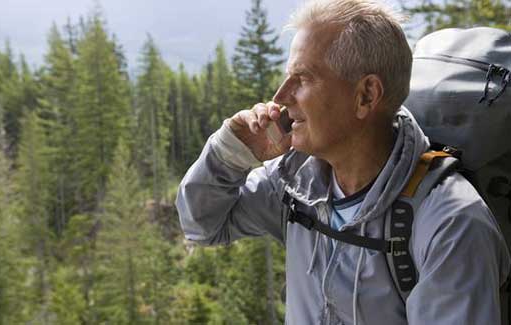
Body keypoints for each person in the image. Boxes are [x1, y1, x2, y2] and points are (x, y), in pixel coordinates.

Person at [176, 0, 511, 324]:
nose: (279, 96)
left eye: (303, 78)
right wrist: (230, 151)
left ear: (366, 95)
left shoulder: (450, 223)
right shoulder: (295, 183)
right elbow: (203, 225)